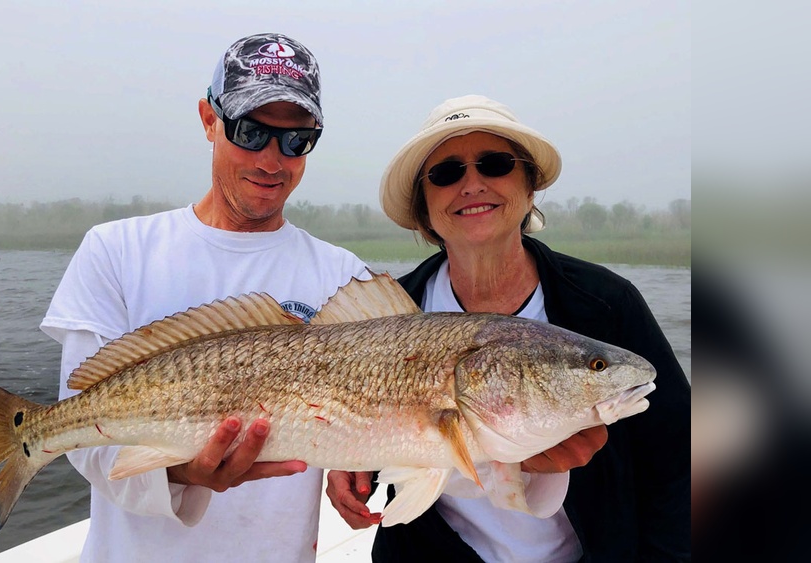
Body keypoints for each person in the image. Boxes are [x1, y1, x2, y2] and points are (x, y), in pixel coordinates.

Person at [39, 33, 369, 563]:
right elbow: (86, 434)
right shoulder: (116, 250)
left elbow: (353, 417)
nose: (272, 159)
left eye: (296, 140)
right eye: (250, 131)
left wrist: (359, 469)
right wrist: (178, 472)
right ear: (208, 118)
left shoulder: (344, 278)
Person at [326, 95, 690, 561]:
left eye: (496, 164)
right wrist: (350, 465)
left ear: (529, 187)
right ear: (425, 204)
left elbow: (678, 460)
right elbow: (364, 415)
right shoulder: (390, 315)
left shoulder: (608, 304)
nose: (472, 183)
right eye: (445, 173)